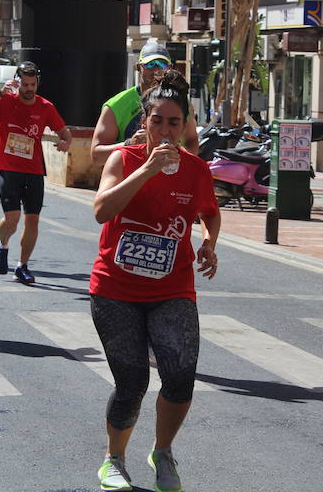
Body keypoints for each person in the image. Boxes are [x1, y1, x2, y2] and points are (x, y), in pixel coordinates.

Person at [89, 70, 219, 492]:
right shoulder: (122, 160)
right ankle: (114, 459)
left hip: (172, 288)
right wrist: (146, 170)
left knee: (180, 377)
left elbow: (209, 211)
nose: (165, 130)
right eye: (157, 121)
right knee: (132, 382)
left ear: (185, 127)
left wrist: (208, 241)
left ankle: (162, 451)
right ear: (144, 121)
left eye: (174, 123)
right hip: (115, 289)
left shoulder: (196, 170)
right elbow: (102, 211)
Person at [0, 62, 71, 285]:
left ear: (37, 83)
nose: (28, 89)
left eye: (32, 84)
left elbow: (64, 132)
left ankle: (22, 266)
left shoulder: (45, 107)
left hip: (34, 170)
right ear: (18, 83)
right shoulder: (5, 101)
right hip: (9, 168)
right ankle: (2, 245)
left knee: (32, 220)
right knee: (12, 218)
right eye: (24, 84)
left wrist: (65, 142)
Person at [91, 40, 198, 166]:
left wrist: (183, 166)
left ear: (170, 68)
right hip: (128, 178)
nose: (157, 70)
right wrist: (129, 144)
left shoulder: (180, 102)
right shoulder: (116, 105)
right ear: (138, 67)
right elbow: (97, 156)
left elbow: (191, 141)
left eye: (162, 64)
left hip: (168, 176)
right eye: (150, 64)